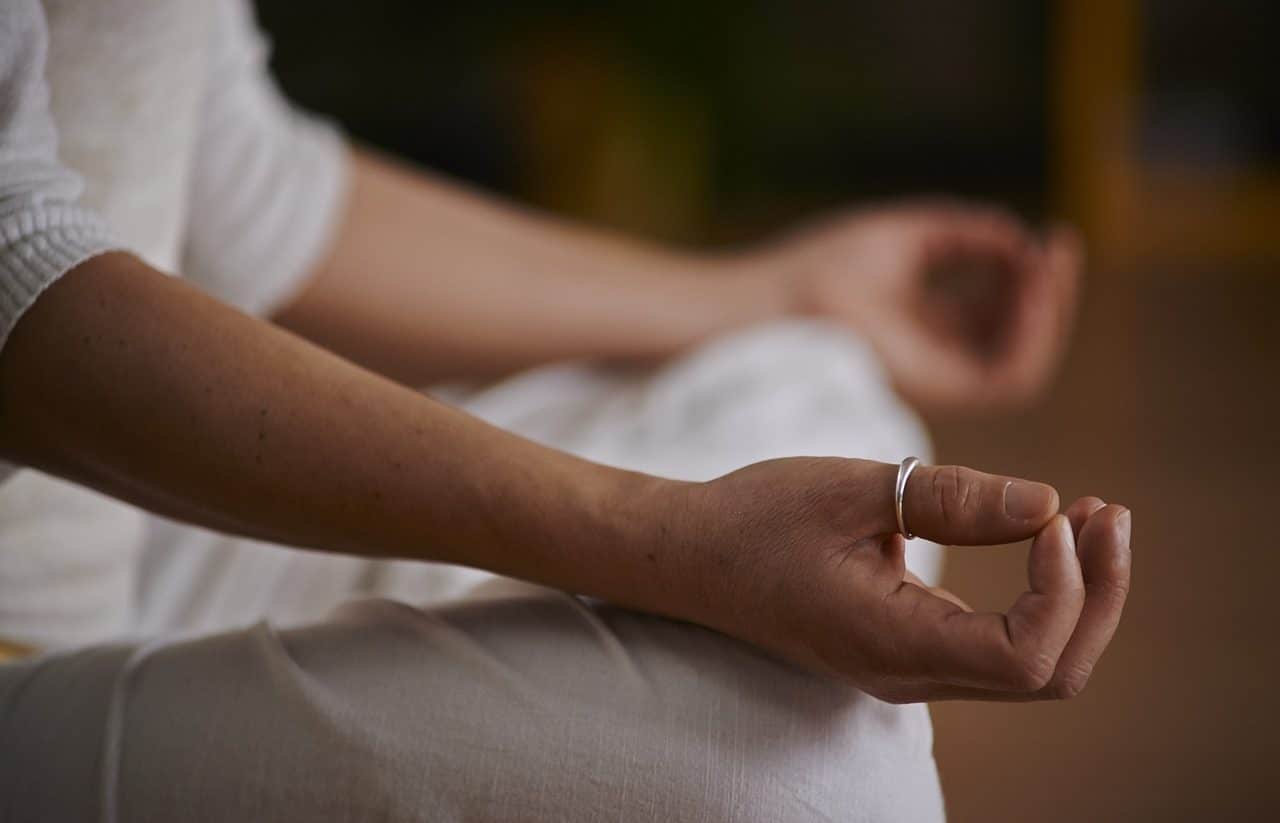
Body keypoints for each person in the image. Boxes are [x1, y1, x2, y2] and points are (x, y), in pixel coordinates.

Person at [0, 0, 1131, 820]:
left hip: (156, 529)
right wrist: (666, 540)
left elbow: (241, 179)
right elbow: (21, 298)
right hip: (25, 653)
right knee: (811, 774)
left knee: (811, 381)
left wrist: (774, 295)